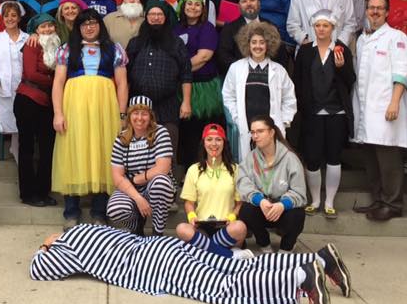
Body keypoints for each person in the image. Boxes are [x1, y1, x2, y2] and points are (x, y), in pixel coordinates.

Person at [31, 223, 349, 304]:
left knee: (223, 286)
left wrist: (46, 245)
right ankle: (319, 259)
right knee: (235, 265)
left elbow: (38, 270)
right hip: (163, 247)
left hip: (155, 266)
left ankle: (302, 277)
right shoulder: (92, 229)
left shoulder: (69, 247)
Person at [52, 8, 128, 228]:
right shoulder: (67, 49)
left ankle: (99, 213)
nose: (89, 27)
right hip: (74, 108)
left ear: (100, 26)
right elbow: (58, 82)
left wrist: (122, 114)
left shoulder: (114, 49)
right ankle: (71, 213)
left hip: (105, 109)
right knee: (73, 153)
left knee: (103, 153)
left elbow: (122, 83)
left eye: (93, 23)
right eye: (84, 24)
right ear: (78, 28)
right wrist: (58, 113)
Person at [352, 0, 407, 222]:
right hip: (366, 109)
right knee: (371, 157)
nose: (375, 11)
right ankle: (378, 199)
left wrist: (395, 102)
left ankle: (393, 203)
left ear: (387, 12)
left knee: (388, 158)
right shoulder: (362, 39)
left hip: (386, 106)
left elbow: (403, 72)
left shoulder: (396, 37)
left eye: (379, 8)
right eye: (371, 8)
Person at [293, 10, 355, 218]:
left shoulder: (342, 50)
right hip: (312, 112)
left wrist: (341, 67)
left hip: (336, 111)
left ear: (333, 28)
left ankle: (329, 201)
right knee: (312, 158)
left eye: (325, 25)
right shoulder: (305, 51)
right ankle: (315, 200)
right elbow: (298, 80)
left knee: (333, 157)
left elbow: (350, 80)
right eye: (318, 25)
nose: (321, 29)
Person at [125, 0, 192, 158]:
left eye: (160, 14)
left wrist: (186, 102)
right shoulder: (135, 43)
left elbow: (186, 74)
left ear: (165, 17)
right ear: (146, 17)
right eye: (152, 14)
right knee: (138, 154)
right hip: (138, 108)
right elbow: (125, 76)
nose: (156, 17)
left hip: (168, 107)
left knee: (167, 152)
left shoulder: (176, 43)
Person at [236, 115, 307, 252]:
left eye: (260, 131)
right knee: (246, 210)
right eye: (253, 132)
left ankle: (287, 246)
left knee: (297, 214)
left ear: (272, 132)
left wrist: (282, 204)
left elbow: (299, 192)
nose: (255, 136)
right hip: (263, 208)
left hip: (282, 210)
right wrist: (260, 200)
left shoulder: (290, 158)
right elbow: (243, 182)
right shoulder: (251, 158)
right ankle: (264, 243)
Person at [222, 22, 296, 153]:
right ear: (247, 44)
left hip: (271, 129)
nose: (258, 46)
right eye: (254, 42)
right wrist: (237, 118)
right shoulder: (236, 68)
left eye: (262, 42)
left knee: (271, 163)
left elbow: (289, 98)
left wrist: (284, 122)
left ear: (268, 45)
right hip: (246, 128)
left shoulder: (279, 70)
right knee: (248, 163)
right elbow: (228, 96)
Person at [107, 97, 175, 236]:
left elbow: (163, 168)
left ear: (151, 116)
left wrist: (138, 179)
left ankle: (157, 233)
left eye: (144, 113)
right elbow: (117, 177)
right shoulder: (121, 138)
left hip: (154, 185)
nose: (139, 118)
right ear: (129, 115)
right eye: (135, 113)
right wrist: (138, 198)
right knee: (115, 209)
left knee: (161, 183)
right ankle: (136, 228)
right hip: (131, 188)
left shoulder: (160, 132)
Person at [176, 124, 247, 255]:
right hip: (202, 227)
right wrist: (192, 216)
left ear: (224, 143)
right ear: (203, 143)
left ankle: (206, 250)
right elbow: (189, 203)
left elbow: (239, 203)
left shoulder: (235, 169)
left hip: (227, 227)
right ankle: (229, 255)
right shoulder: (193, 169)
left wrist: (233, 216)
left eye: (218, 139)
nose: (214, 144)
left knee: (240, 227)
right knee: (182, 229)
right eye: (209, 139)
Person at [14, 13, 59, 206]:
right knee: (27, 149)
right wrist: (55, 79)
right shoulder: (32, 44)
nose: (47, 29)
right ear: (36, 30)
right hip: (28, 100)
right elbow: (31, 74)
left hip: (47, 103)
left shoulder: (57, 46)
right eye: (43, 27)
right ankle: (28, 193)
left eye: (50, 25)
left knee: (46, 149)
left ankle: (43, 191)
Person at [174, 0, 222, 166]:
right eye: (189, 4)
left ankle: (206, 166)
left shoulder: (207, 28)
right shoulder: (176, 28)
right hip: (181, 86)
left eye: (197, 4)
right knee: (185, 133)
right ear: (182, 6)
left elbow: (204, 57)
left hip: (203, 88)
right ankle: (188, 170)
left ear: (203, 9)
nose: (193, 7)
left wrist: (178, 70)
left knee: (202, 131)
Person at [216, 0, 289, 76]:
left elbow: (281, 53)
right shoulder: (229, 29)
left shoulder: (271, 26)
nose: (249, 4)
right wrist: (245, 71)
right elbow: (224, 56)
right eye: (244, 1)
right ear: (239, 6)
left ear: (259, 3)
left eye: (252, 0)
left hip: (269, 75)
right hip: (241, 76)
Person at [0, 1, 29, 159]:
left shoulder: (27, 38)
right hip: (4, 87)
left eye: (14, 15)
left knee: (23, 122)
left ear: (19, 18)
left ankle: (17, 150)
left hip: (24, 88)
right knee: (9, 121)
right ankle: (14, 148)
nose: (10, 19)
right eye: (6, 16)